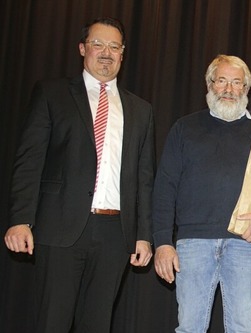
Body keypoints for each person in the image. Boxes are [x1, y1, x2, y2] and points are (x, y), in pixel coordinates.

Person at [3, 17, 155, 333]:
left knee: (97, 324)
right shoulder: (52, 93)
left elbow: (144, 177)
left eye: (114, 46)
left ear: (123, 54)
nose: (106, 52)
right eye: (98, 44)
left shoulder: (141, 110)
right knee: (51, 323)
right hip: (59, 229)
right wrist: (21, 219)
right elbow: (29, 161)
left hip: (116, 234)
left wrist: (144, 234)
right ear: (82, 48)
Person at [152, 54, 251, 332]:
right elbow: (164, 187)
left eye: (237, 82)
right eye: (221, 80)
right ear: (209, 84)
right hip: (193, 244)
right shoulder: (184, 128)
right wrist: (163, 242)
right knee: (189, 328)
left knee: (241, 328)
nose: (229, 88)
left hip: (245, 244)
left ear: (247, 89)